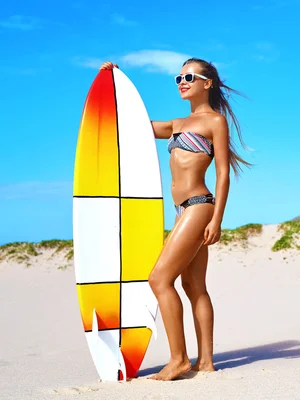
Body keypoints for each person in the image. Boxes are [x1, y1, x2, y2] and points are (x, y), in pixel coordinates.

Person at [99, 58, 251, 381]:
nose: (182, 81)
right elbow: (136, 124)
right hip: (184, 211)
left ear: (207, 83)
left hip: (200, 207)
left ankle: (179, 359)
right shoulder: (177, 124)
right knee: (193, 285)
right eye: (178, 77)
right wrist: (112, 82)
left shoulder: (215, 122)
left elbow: (223, 173)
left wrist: (218, 219)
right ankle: (206, 362)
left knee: (159, 280)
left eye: (189, 76)